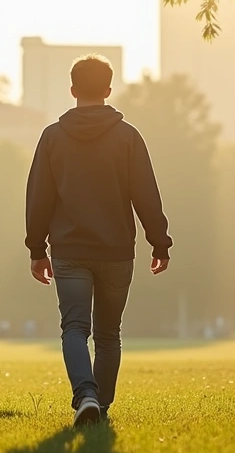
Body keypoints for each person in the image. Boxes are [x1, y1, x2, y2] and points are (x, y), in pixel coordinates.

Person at [24, 54, 172, 428]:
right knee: (109, 333)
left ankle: (85, 396)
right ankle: (100, 408)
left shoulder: (53, 138)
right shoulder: (127, 137)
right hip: (117, 250)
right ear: (108, 90)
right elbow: (146, 194)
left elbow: (39, 196)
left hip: (70, 251)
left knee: (74, 327)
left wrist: (36, 249)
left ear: (72, 90)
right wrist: (160, 242)